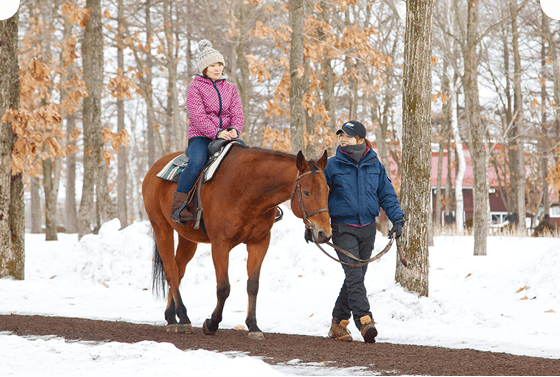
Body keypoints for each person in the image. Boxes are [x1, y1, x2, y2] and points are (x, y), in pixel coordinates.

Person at [321, 120, 405, 343]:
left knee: (355, 277)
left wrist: (397, 219)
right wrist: (312, 226)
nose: (342, 139)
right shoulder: (331, 166)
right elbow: (317, 197)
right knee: (354, 275)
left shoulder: (374, 164)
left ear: (359, 139)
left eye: (347, 135)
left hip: (368, 228)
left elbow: (387, 194)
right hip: (342, 228)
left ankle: (338, 324)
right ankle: (365, 321)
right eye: (340, 135)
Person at [170, 40, 244, 225]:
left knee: (246, 161)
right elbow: (197, 116)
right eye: (212, 65)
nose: (217, 69)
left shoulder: (230, 88)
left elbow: (238, 113)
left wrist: (234, 129)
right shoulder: (195, 87)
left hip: (227, 135)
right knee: (196, 162)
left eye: (219, 65)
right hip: (201, 136)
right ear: (204, 68)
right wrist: (217, 132)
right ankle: (179, 206)